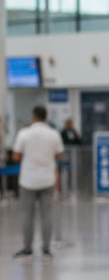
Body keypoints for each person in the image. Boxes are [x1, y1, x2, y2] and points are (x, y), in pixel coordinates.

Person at [12, 106, 65, 261]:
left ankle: (27, 248)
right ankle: (46, 249)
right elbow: (60, 155)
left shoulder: (24, 133)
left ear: (33, 117)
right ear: (46, 117)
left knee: (27, 216)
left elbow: (16, 156)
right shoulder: (53, 134)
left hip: (27, 180)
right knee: (47, 215)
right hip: (48, 179)